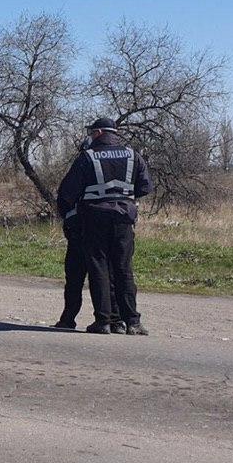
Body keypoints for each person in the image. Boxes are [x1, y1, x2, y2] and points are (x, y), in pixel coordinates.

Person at [56, 117, 153, 335]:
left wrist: (71, 215)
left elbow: (67, 192)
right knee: (123, 269)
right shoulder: (132, 155)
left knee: (99, 267)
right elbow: (145, 187)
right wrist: (123, 197)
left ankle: (103, 321)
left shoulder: (88, 157)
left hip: (94, 219)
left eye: (92, 132)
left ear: (99, 132)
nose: (90, 136)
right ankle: (132, 322)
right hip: (124, 220)